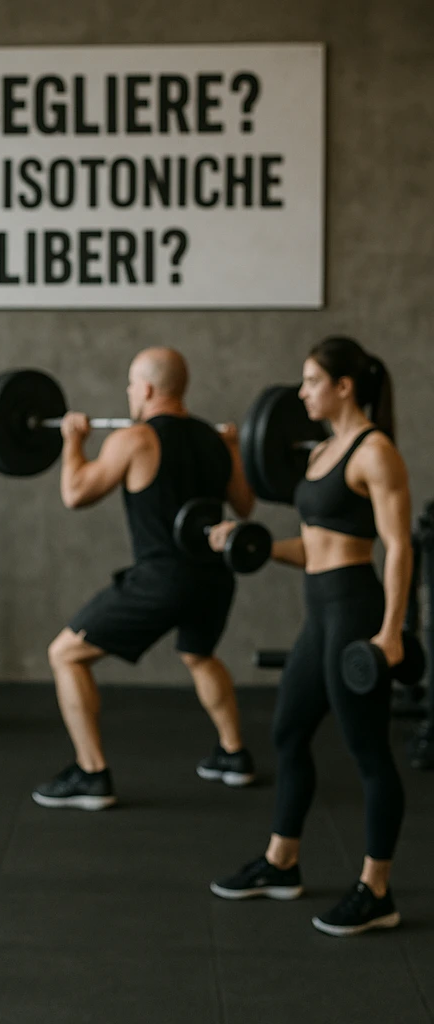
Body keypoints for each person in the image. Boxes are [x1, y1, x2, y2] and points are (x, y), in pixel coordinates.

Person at [210, 337, 410, 938]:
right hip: (318, 611)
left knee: (368, 751)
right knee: (288, 730)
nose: (301, 392)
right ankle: (281, 862)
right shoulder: (322, 452)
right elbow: (314, 547)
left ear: (344, 386)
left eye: (311, 380)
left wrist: (391, 632)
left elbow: (396, 546)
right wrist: (252, 543)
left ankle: (376, 890)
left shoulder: (376, 452)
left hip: (355, 611)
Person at [32, 347, 257, 811]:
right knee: (199, 655)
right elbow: (245, 505)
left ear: (148, 388)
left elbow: (76, 494)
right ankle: (234, 755)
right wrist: (234, 449)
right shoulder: (214, 439)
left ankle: (92, 773)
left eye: (132, 385)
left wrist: (72, 441)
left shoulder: (136, 439)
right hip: (216, 577)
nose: (130, 393)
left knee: (66, 655)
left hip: (163, 578)